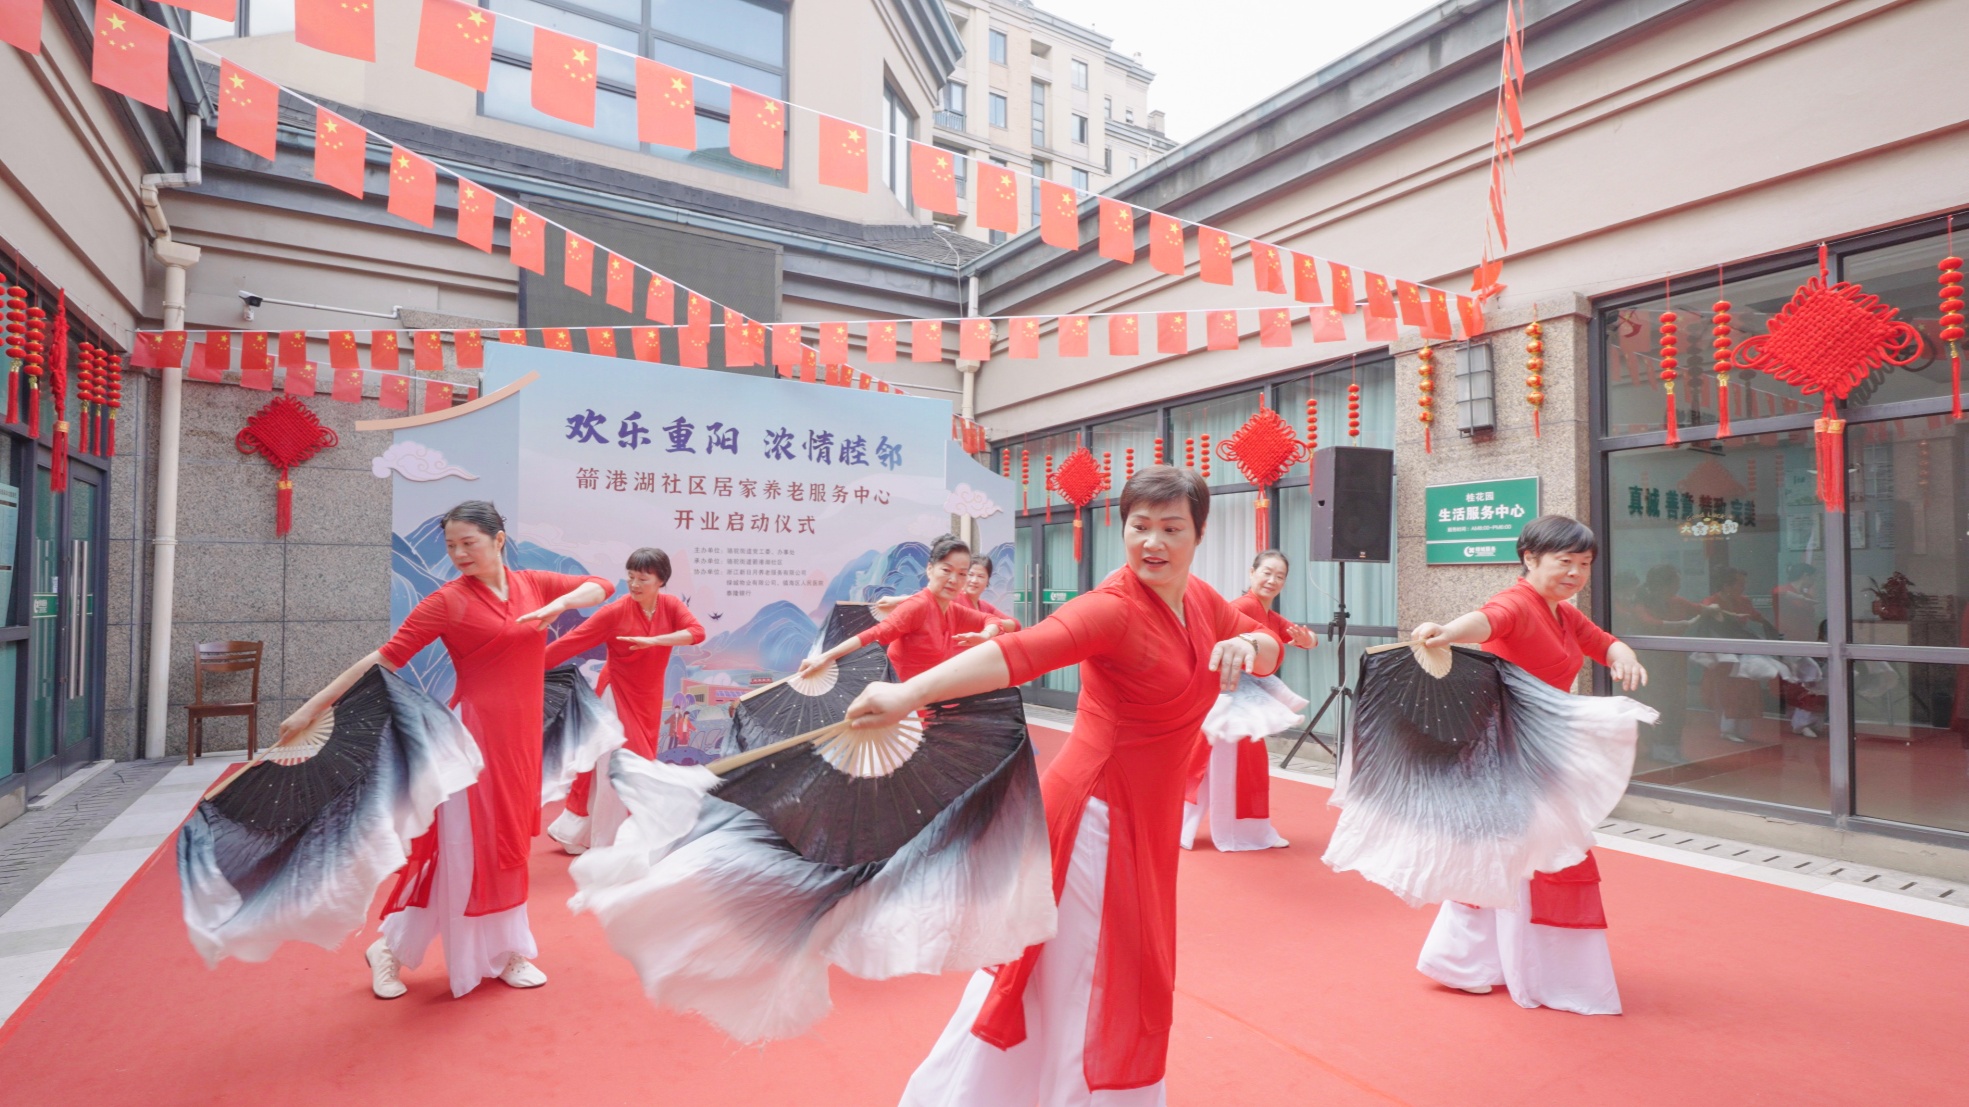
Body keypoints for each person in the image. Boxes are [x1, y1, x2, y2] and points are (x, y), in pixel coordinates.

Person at [845, 466, 1283, 1106]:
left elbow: (1267, 646)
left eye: (1171, 528)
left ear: (1199, 534)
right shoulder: (1113, 608)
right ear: (1122, 528)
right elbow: (1019, 653)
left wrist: (1249, 642)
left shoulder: (1199, 600)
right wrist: (909, 692)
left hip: (1148, 824)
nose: (1152, 543)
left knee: (1084, 973)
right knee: (1093, 976)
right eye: (1140, 527)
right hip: (1095, 822)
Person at [276, 501, 612, 999]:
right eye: (451, 545)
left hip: (520, 738)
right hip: (473, 740)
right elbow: (384, 659)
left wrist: (557, 607)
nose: (458, 554)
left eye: (468, 543)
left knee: (510, 845)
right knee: (460, 851)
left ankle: (503, 949)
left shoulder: (533, 584)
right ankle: (394, 949)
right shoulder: (448, 601)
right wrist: (312, 707)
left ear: (499, 540)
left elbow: (601, 585)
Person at [1408, 515, 1647, 1016]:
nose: (1576, 573)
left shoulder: (1561, 613)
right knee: (1517, 857)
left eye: (1584, 564)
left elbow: (1602, 641)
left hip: (1541, 750)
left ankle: (1487, 964)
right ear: (1530, 559)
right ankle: (1475, 965)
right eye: (1566, 562)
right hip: (1503, 750)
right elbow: (1485, 620)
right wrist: (1448, 632)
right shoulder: (1518, 602)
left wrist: (1622, 654)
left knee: (1532, 859)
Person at [541, 547, 704, 854]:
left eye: (643, 578)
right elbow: (570, 643)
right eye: (630, 577)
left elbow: (697, 632)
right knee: (619, 766)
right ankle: (612, 842)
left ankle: (582, 833)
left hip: (649, 697)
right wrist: (525, 666)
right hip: (615, 694)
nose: (635, 584)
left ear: (661, 580)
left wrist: (655, 641)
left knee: (628, 764)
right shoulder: (616, 611)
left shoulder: (670, 606)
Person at [1181, 549, 1316, 852]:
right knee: (1227, 764)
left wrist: (1309, 640)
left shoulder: (1268, 613)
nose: (1272, 580)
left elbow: (1300, 636)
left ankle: (1195, 828)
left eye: (1279, 576)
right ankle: (1236, 832)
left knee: (1221, 763)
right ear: (1251, 573)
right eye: (1266, 572)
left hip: (1239, 698)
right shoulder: (1241, 607)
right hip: (1228, 696)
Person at [799, 534, 996, 684]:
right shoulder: (917, 606)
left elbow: (998, 621)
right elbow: (873, 635)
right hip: (901, 704)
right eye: (946, 570)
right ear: (930, 569)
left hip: (928, 698)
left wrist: (986, 635)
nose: (954, 580)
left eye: (962, 574)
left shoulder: (952, 609)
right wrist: (824, 657)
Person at [958, 553, 1021, 634]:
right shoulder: (955, 599)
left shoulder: (985, 606)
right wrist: (990, 621)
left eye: (980, 576)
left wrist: (992, 621)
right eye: (970, 575)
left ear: (988, 580)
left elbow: (1016, 625)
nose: (974, 580)